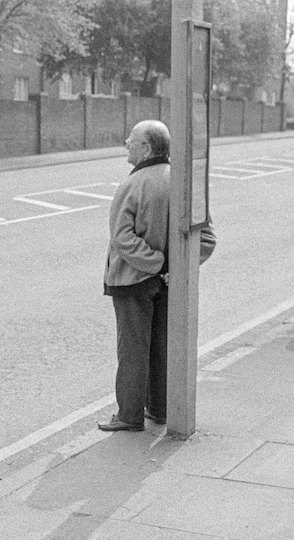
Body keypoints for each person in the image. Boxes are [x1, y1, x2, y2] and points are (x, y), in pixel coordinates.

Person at [97, 120, 215, 432]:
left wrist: (155, 263)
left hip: (132, 282)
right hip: (169, 283)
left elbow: (122, 238)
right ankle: (161, 410)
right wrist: (173, 269)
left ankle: (129, 416)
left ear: (147, 148)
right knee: (162, 347)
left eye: (131, 140)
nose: (126, 143)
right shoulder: (185, 183)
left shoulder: (132, 185)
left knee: (132, 350)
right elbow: (207, 240)